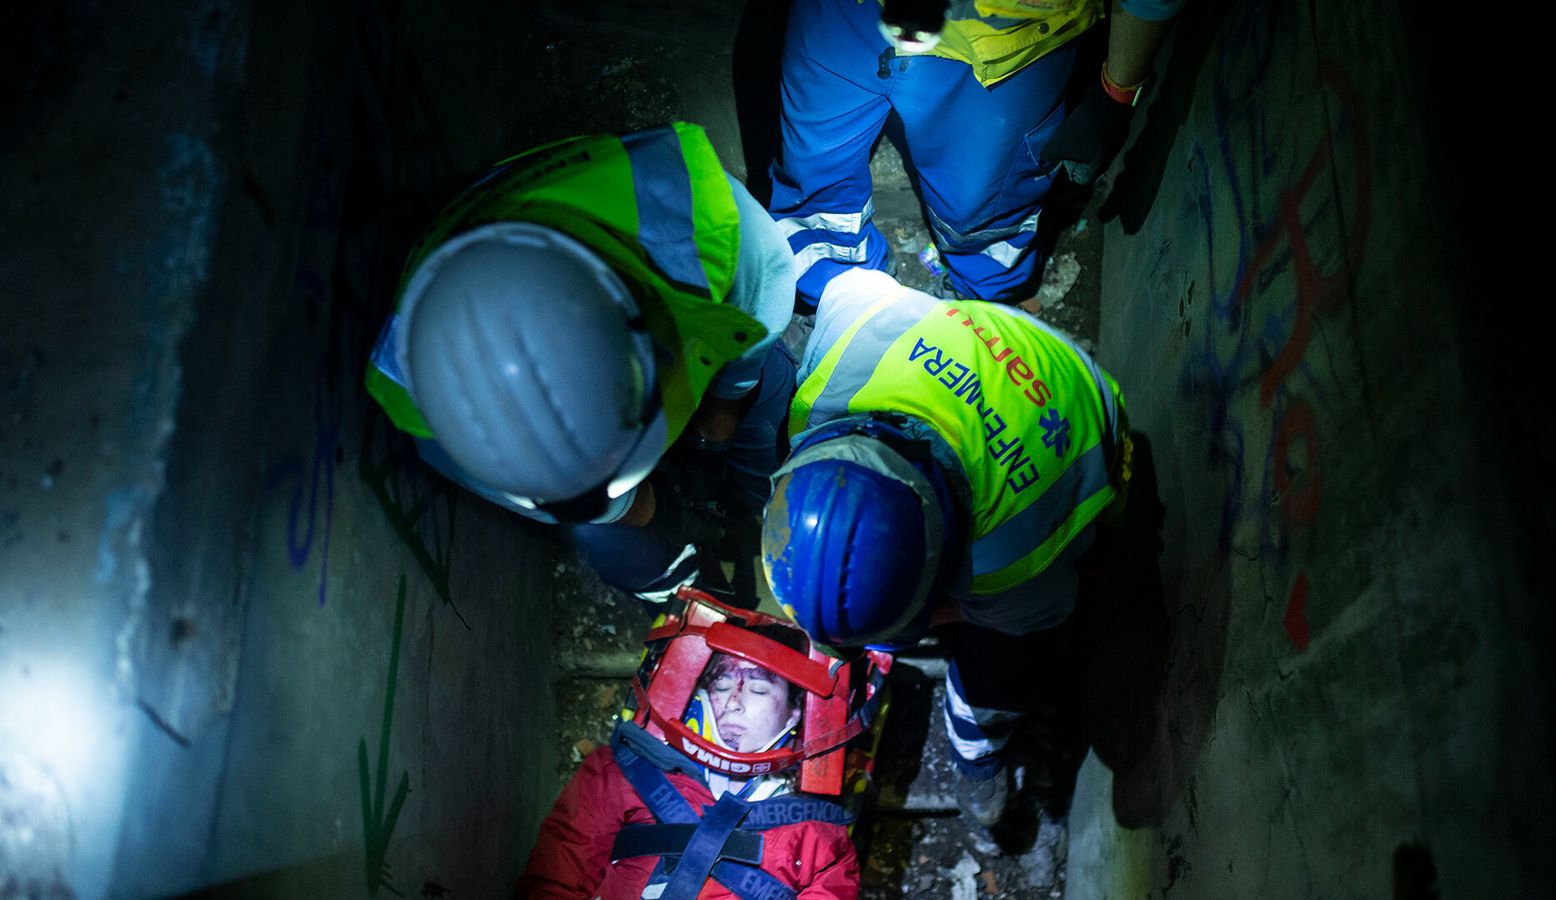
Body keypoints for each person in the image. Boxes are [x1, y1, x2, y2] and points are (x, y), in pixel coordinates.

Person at [761, 267, 1135, 826]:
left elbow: (1049, 608)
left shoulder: (1008, 554)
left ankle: (980, 758)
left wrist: (932, 615)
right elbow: (850, 284)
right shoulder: (846, 343)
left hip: (1083, 416)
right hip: (991, 348)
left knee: (1002, 654)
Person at [365, 123, 798, 602]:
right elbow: (598, 507)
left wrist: (715, 433)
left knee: (769, 386)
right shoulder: (441, 424)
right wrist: (661, 514)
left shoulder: (705, 228)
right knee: (618, 546)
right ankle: (693, 591)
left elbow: (753, 324)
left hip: (695, 319)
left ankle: (767, 513)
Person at [768, 0, 1186, 308]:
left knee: (982, 209)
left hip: (1010, 48)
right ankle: (844, 300)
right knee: (813, 177)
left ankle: (975, 315)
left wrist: (1116, 93)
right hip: (846, 15)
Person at [517, 591, 888, 898]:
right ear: (700, 697)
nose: (733, 700)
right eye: (722, 685)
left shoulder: (820, 834)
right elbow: (556, 877)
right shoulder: (622, 772)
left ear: (795, 714)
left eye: (758, 688)